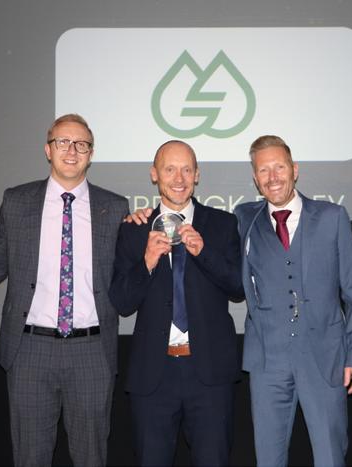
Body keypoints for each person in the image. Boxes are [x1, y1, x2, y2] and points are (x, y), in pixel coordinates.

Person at [0, 114, 128, 466]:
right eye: (63, 142)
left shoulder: (114, 207)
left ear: (91, 154)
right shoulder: (17, 201)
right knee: (30, 457)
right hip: (30, 349)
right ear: (48, 150)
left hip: (91, 352)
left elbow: (128, 273)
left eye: (81, 144)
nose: (72, 151)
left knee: (92, 457)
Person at [234, 134, 352, 466]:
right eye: (263, 170)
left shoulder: (331, 217)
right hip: (267, 360)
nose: (273, 177)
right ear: (255, 178)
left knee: (329, 456)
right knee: (268, 458)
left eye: (279, 167)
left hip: (324, 357)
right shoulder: (244, 219)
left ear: (294, 169)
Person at [109, 140, 243, 466]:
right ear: (154, 174)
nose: (179, 178)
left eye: (186, 169)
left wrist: (204, 253)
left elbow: (239, 288)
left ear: (197, 175)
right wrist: (147, 261)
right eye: (170, 169)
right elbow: (122, 302)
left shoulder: (222, 224)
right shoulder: (134, 229)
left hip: (210, 374)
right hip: (153, 375)